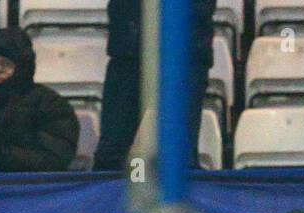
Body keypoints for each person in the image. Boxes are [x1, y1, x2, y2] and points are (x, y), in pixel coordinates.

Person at [92, 0, 215, 171]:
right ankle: (133, 187)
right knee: (114, 153)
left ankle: (150, 190)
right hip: (131, 52)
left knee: (180, 155)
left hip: (183, 54)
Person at [0, 28, 80, 173]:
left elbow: (56, 160)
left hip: (35, 189)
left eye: (6, 64)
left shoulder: (51, 104)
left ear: (22, 66)